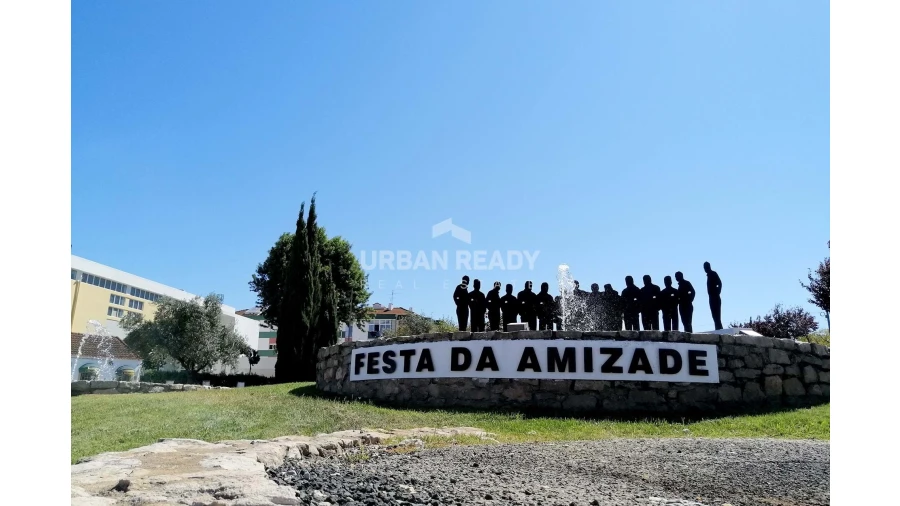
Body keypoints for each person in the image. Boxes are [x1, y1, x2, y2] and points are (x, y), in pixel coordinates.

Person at [704, 262, 723, 330]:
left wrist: (717, 292)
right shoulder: (709, 275)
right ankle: (717, 328)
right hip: (711, 297)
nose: (705, 269)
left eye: (706, 267)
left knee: (717, 315)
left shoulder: (713, 273)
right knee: (714, 315)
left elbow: (719, 283)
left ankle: (719, 328)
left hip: (715, 297)